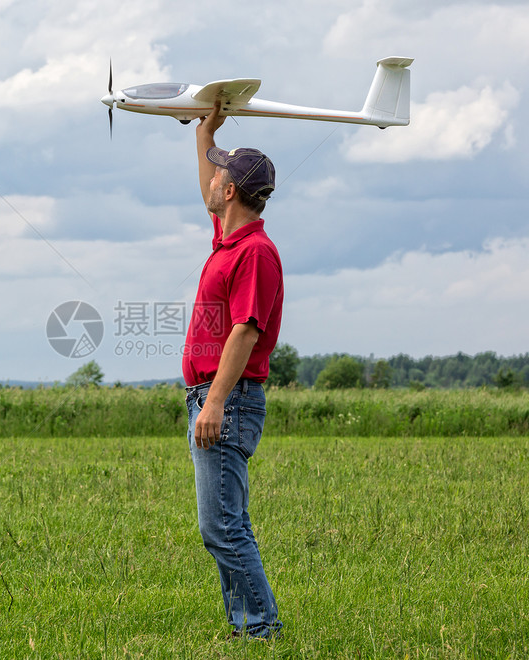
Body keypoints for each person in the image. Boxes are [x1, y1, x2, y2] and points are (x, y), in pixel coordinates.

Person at [182, 100, 284, 639]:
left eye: (220, 170)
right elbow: (207, 196)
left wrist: (216, 401)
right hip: (214, 396)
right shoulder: (229, 238)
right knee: (226, 523)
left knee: (220, 527)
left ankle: (260, 628)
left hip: (230, 398)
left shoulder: (255, 254)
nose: (214, 176)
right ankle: (248, 625)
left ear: (232, 191)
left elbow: (245, 330)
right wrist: (205, 134)